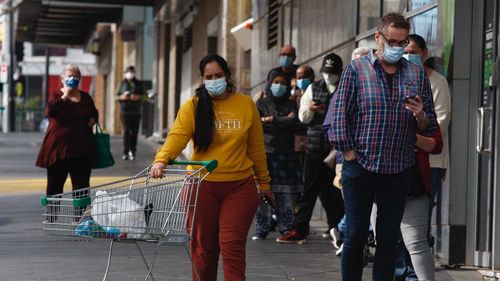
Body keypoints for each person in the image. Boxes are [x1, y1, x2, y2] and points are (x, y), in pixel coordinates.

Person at [329, 13, 437, 281]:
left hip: (398, 167)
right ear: (378, 37)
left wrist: (421, 114)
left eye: (402, 43)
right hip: (361, 165)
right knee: (354, 236)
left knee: (388, 240)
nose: (397, 48)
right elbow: (339, 116)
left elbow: (430, 126)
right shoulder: (356, 70)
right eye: (392, 41)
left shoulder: (415, 73)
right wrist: (350, 154)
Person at [150, 54, 272, 281]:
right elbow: (178, 135)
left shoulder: (245, 105)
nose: (214, 80)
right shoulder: (193, 106)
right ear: (202, 79)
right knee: (204, 251)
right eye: (209, 77)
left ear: (227, 75)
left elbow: (256, 149)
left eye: (218, 75)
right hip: (201, 186)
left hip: (239, 187)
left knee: (232, 246)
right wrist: (162, 159)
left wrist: (264, 182)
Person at [276, 52, 345, 244]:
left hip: (337, 150)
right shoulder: (314, 88)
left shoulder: (346, 87)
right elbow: (302, 117)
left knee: (335, 192)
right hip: (315, 147)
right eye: (326, 72)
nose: (329, 76)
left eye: (332, 73)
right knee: (309, 190)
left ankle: (337, 229)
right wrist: (311, 110)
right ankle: (300, 229)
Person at [36, 64, 98, 221]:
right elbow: (50, 111)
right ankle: (52, 215)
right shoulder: (56, 94)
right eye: (69, 76)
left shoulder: (85, 98)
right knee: (55, 184)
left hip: (81, 150)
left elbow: (94, 113)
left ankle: (79, 217)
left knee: (81, 185)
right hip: (57, 149)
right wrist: (65, 95)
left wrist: (92, 119)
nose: (73, 79)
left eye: (76, 76)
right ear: (62, 79)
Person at [404, 33, 452, 229]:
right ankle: (400, 260)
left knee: (419, 220)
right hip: (401, 159)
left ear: (424, 53)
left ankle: (411, 260)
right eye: (404, 52)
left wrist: (414, 137)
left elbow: (441, 120)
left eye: (413, 52)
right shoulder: (395, 78)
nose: (408, 56)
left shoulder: (437, 81)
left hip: (430, 160)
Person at [252, 71, 300, 240]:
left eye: (282, 83)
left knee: (286, 194)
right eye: (276, 82)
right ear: (269, 83)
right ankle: (262, 227)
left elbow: (293, 121)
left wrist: (271, 120)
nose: (279, 86)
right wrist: (281, 121)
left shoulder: (291, 104)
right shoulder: (261, 103)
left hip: (285, 153)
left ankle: (286, 228)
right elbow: (256, 123)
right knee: (262, 191)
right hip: (265, 153)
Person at [116, 66, 146, 161]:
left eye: (131, 72)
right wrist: (122, 97)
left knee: (134, 133)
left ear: (134, 73)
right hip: (125, 112)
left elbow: (146, 97)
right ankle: (125, 152)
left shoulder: (139, 84)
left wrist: (138, 97)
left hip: (136, 112)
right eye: (128, 72)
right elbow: (115, 97)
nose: (129, 74)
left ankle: (133, 151)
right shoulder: (121, 84)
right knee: (126, 132)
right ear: (125, 73)